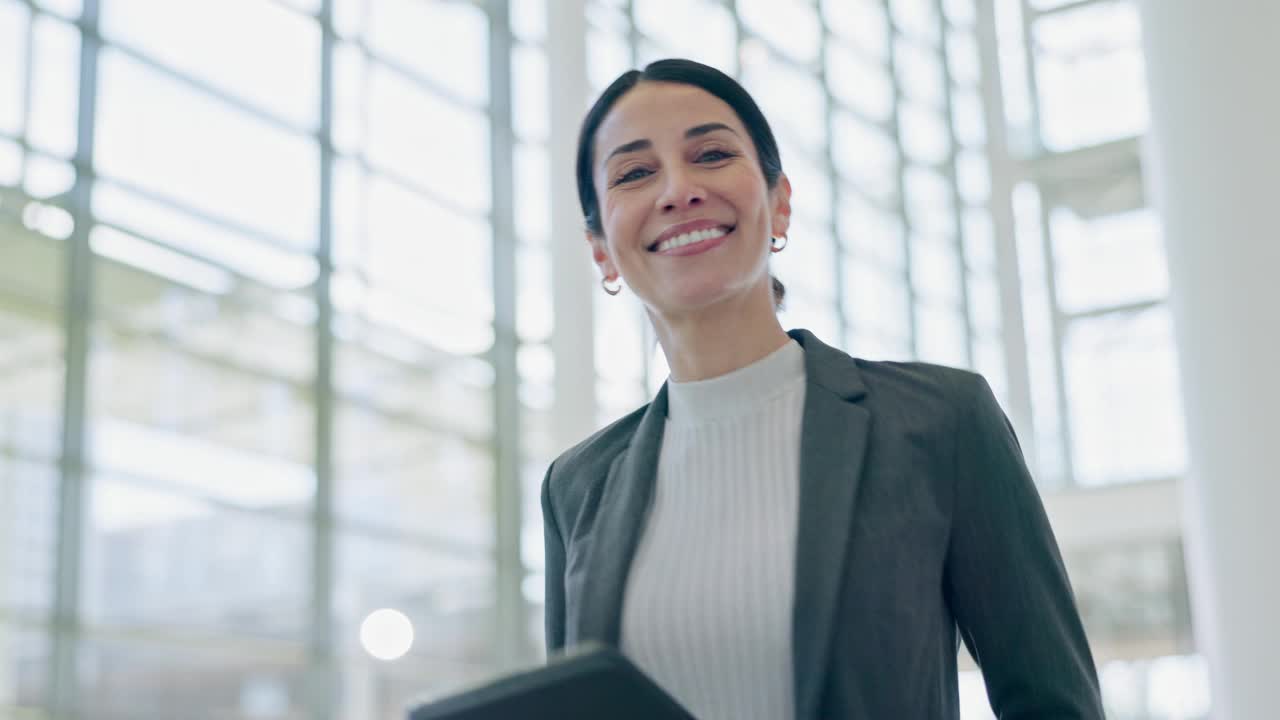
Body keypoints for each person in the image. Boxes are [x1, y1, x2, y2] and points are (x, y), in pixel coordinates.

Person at [540, 58, 1104, 720]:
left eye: (712, 154)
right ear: (601, 249)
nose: (677, 189)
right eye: (635, 172)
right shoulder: (576, 488)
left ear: (779, 204)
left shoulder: (940, 422)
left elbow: (1053, 703)